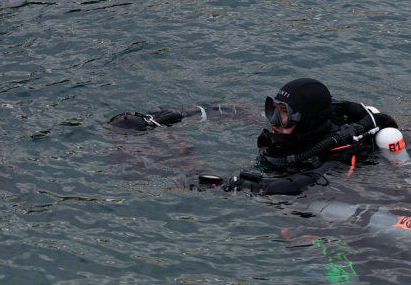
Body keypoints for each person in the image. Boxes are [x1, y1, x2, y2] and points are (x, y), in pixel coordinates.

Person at [109, 78, 403, 195]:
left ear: (306, 121)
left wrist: (238, 187)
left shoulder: (335, 154)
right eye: (272, 110)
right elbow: (237, 113)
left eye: (283, 114)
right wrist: (183, 115)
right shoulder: (287, 133)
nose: (273, 121)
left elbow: (306, 181)